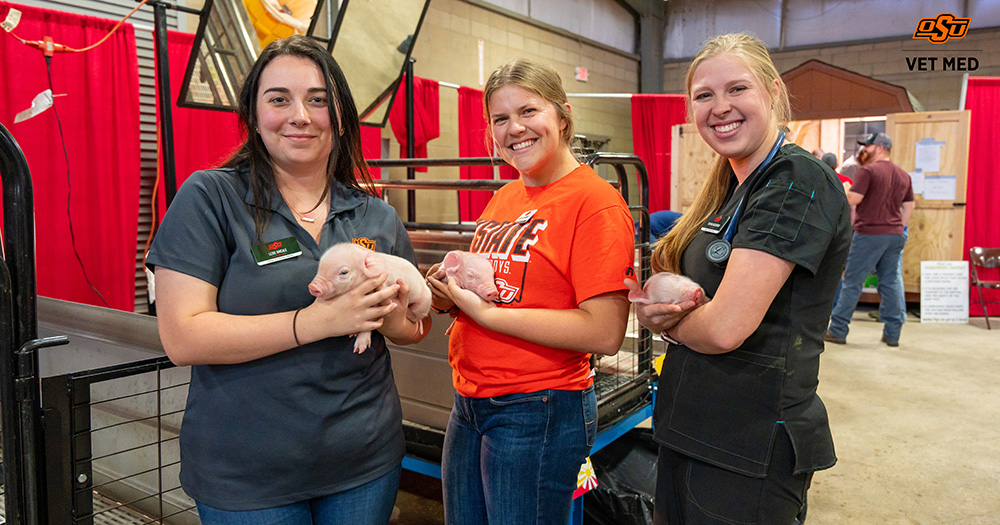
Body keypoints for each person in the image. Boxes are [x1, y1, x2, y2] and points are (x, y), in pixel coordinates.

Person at [146, 35, 430, 523]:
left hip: (364, 459)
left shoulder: (375, 215)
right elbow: (183, 337)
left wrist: (386, 309)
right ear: (254, 116)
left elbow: (411, 329)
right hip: (248, 472)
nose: (300, 115)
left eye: (318, 100)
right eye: (279, 99)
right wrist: (318, 321)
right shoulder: (210, 197)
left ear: (339, 117)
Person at [627, 33, 851, 523]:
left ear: (771, 91)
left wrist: (665, 324)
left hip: (748, 442)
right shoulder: (731, 184)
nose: (719, 107)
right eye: (704, 95)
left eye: (737, 89)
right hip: (693, 425)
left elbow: (726, 327)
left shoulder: (796, 182)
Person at [425, 58, 635, 525]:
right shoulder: (506, 196)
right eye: (500, 119)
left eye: (528, 111)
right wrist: (448, 291)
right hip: (472, 399)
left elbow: (603, 332)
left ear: (561, 116)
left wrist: (487, 316)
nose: (514, 128)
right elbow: (503, 290)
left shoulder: (594, 202)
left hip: (538, 406)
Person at [826, 132, 914, 347]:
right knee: (890, 282)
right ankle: (892, 334)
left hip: (869, 234)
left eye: (869, 146)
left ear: (881, 148)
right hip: (895, 235)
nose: (864, 149)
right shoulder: (904, 175)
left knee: (852, 282)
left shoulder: (868, 171)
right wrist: (899, 227)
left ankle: (837, 330)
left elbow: (855, 199)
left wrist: (844, 189)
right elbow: (909, 206)